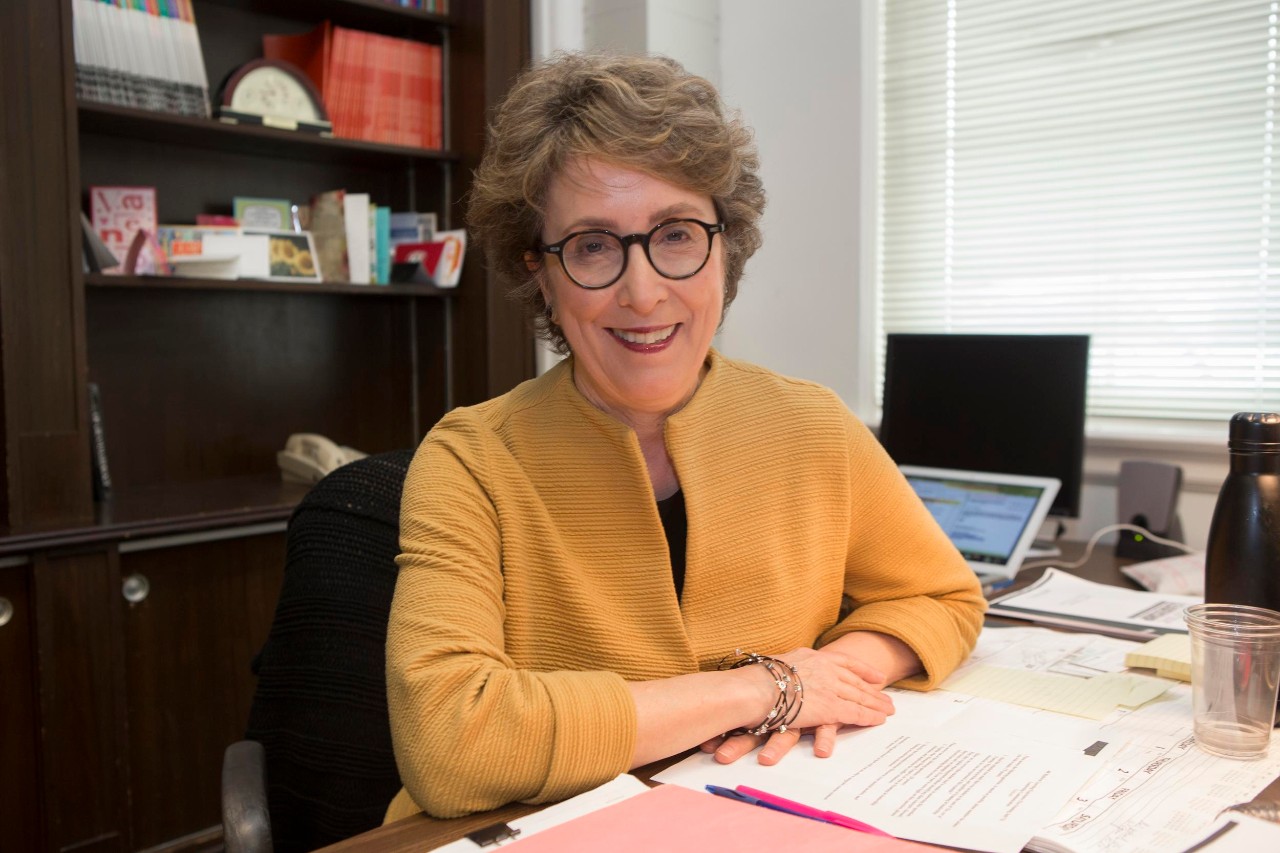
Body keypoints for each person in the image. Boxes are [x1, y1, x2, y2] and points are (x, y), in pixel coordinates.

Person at [383, 52, 985, 821]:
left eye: (675, 234)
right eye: (593, 245)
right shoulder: (470, 459)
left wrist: (832, 673)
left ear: (724, 246)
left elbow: (941, 595)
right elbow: (449, 740)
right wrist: (767, 688)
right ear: (541, 273)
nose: (643, 293)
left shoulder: (813, 426)